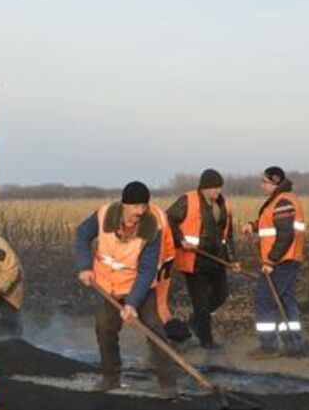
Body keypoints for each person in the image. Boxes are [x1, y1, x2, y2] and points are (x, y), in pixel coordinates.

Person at [74, 181, 179, 396]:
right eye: (135, 207)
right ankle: (111, 378)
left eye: (143, 206)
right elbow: (82, 234)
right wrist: (84, 266)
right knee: (104, 327)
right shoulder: (103, 215)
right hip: (107, 286)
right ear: (124, 205)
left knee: (154, 328)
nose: (140, 212)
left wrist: (132, 303)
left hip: (138, 287)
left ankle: (168, 384)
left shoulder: (152, 228)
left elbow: (148, 269)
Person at [244, 166, 309, 359]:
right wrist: (253, 226)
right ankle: (294, 343)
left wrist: (271, 261)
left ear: (275, 182)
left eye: (265, 182)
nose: (262, 185)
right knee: (286, 300)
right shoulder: (282, 201)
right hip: (288, 259)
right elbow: (273, 225)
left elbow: (285, 235)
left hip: (282, 260)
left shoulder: (282, 202)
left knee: (264, 300)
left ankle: (268, 347)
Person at [166, 168, 236, 349]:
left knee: (221, 295)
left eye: (219, 187)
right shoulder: (188, 200)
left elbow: (228, 235)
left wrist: (233, 259)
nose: (217, 191)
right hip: (194, 261)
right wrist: (180, 241)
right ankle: (207, 342)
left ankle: (192, 323)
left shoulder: (224, 205)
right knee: (201, 302)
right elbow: (168, 220)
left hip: (216, 260)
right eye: (213, 188)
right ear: (204, 188)